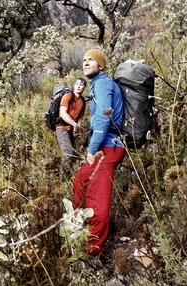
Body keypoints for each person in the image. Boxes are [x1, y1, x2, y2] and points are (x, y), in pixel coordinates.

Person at [73, 49, 125, 255]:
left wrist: (92, 149)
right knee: (80, 181)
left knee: (97, 199)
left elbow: (104, 118)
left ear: (101, 66)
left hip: (108, 148)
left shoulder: (103, 84)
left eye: (91, 60)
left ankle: (92, 249)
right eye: (84, 59)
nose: (85, 62)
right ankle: (79, 227)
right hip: (106, 146)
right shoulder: (98, 85)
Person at [55, 78, 87, 179]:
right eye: (77, 84)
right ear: (74, 85)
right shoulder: (68, 96)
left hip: (71, 130)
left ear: (84, 88)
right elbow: (63, 114)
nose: (78, 86)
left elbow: (80, 117)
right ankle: (62, 180)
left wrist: (77, 128)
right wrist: (74, 124)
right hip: (62, 127)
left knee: (72, 154)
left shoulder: (82, 101)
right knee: (68, 152)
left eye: (81, 85)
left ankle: (67, 177)